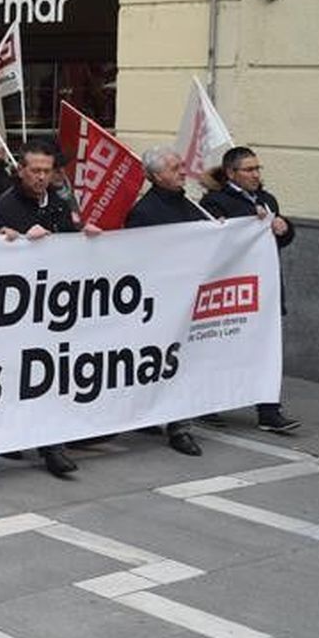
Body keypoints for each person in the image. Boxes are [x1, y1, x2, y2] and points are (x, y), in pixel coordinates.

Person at [0, 139, 101, 478]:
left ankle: (52, 445)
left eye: (46, 171)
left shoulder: (59, 203)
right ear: (20, 170)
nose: (40, 177)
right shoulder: (4, 205)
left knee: (48, 376)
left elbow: (69, 241)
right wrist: (16, 239)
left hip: (53, 306)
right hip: (16, 309)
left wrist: (84, 237)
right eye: (34, 170)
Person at [200, 146, 300, 433]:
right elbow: (215, 244)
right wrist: (245, 222)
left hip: (264, 291)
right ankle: (207, 403)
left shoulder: (268, 200)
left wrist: (283, 227)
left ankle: (269, 411)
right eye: (249, 169)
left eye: (258, 168)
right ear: (231, 173)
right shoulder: (215, 202)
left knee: (266, 350)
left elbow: (279, 241)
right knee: (222, 350)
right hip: (232, 292)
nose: (256, 174)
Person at [122, 147, 206, 455]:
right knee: (163, 363)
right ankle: (168, 424)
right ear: (156, 176)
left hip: (187, 301)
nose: (183, 171)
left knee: (182, 364)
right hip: (159, 305)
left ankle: (179, 425)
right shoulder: (144, 213)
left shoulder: (189, 204)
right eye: (174, 167)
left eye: (181, 165)